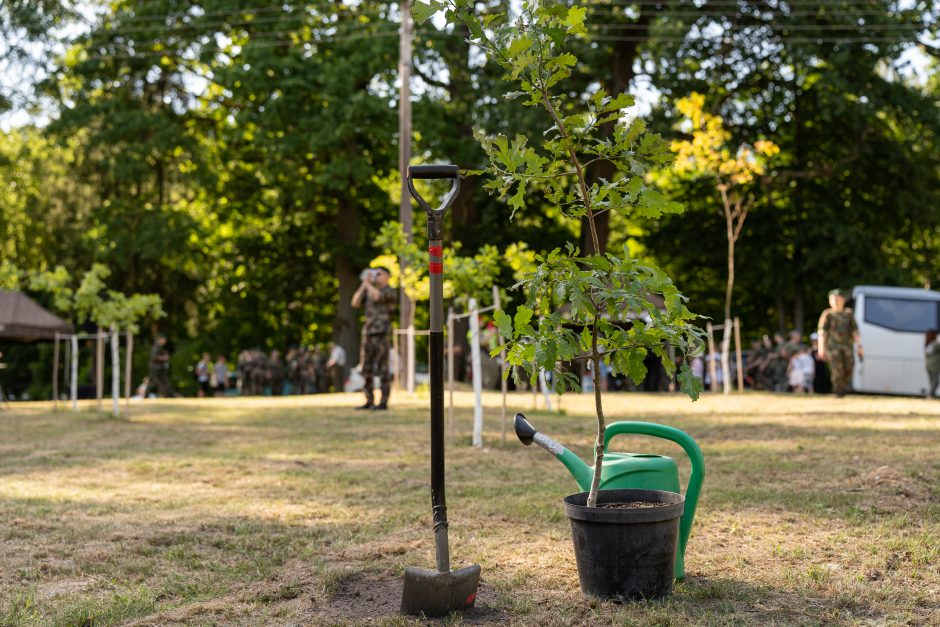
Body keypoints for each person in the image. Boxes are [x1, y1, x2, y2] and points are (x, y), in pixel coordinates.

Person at [351, 266, 396, 410]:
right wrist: (363, 285)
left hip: (382, 333)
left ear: (387, 276)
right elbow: (355, 302)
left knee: (383, 368)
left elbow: (378, 296)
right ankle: (369, 400)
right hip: (368, 334)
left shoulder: (389, 291)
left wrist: (369, 285)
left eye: (379, 274)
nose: (376, 276)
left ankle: (383, 402)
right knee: (366, 368)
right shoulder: (368, 291)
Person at [817, 288, 863, 397]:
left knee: (849, 367)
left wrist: (860, 347)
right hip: (833, 347)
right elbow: (822, 333)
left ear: (843, 300)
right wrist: (821, 348)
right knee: (837, 369)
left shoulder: (848, 314)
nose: (835, 301)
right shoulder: (828, 314)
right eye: (833, 299)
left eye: (837, 299)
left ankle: (843, 387)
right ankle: (838, 391)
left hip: (847, 346)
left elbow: (855, 332)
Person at [925, 329, 940, 399]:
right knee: (935, 382)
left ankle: (931, 395)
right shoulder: (936, 344)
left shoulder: (929, 343)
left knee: (932, 382)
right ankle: (931, 395)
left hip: (929, 365)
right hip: (934, 366)